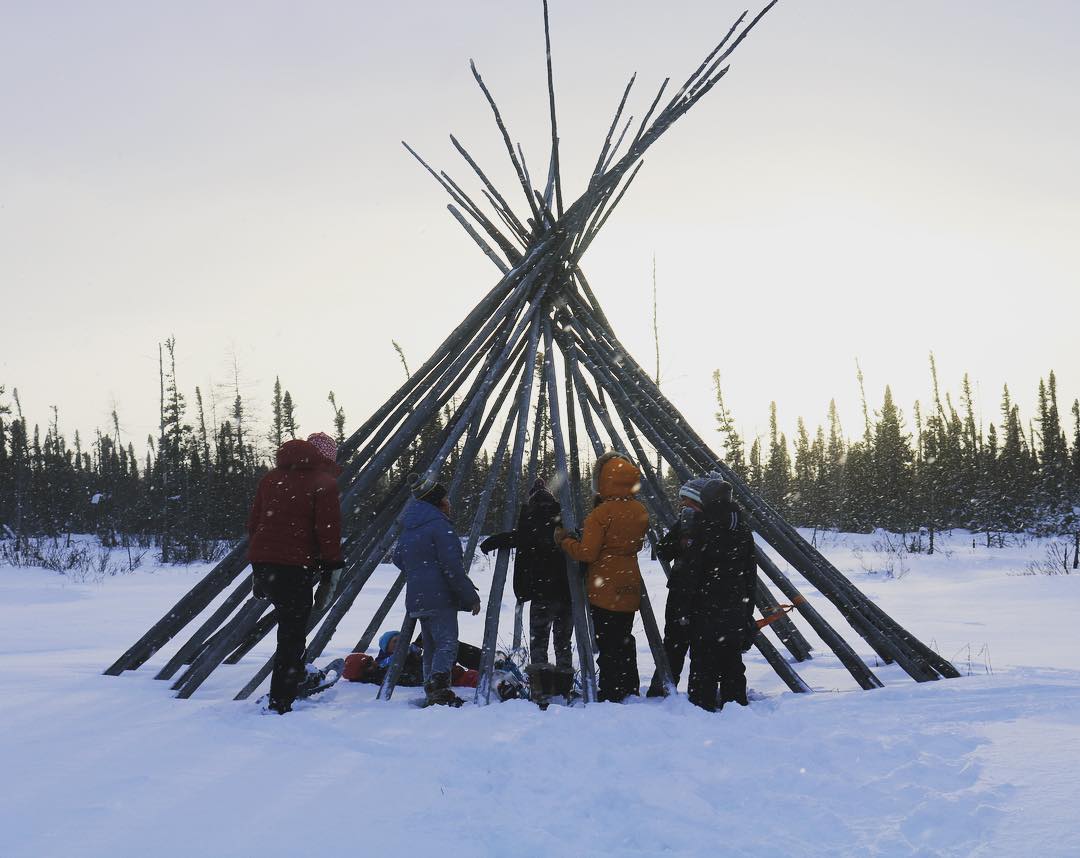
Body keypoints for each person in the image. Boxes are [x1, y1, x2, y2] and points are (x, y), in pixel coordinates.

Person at [247, 431, 343, 714]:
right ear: (326, 459)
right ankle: (281, 700)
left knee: (290, 627)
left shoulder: (271, 478)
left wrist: (259, 566)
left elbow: (255, 523)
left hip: (265, 564)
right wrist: (332, 566)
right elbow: (327, 530)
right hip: (293, 568)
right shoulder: (322, 483)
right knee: (292, 634)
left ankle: (297, 676)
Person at [556, 451, 649, 703]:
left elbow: (587, 552)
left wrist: (565, 542)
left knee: (608, 643)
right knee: (625, 638)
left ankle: (611, 690)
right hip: (629, 582)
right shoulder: (639, 509)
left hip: (605, 586)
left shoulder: (601, 513)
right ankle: (629, 686)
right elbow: (636, 543)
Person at [393, 476, 482, 707]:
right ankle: (440, 689)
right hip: (440, 597)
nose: (449, 503)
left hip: (417, 597)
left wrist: (419, 572)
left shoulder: (410, 527)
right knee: (446, 644)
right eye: (446, 499)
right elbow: (452, 567)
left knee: (431, 645)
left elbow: (398, 558)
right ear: (437, 502)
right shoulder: (440, 526)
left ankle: (431, 689)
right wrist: (470, 597)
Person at [479, 477, 572, 672]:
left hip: (540, 592)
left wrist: (490, 542)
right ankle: (564, 679)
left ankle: (540, 680)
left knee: (539, 641)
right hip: (564, 592)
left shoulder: (530, 525)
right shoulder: (562, 524)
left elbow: (513, 538)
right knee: (563, 642)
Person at [685, 479, 757, 712]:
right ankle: (735, 703)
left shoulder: (703, 526)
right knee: (731, 657)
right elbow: (750, 573)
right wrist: (748, 608)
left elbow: (693, 570)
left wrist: (687, 604)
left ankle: (702, 703)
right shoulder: (742, 528)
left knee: (703, 657)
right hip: (735, 603)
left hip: (706, 603)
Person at [646, 476, 711, 696]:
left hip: (698, 594)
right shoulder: (684, 524)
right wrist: (680, 540)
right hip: (681, 593)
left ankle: (696, 693)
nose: (682, 504)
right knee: (675, 643)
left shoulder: (711, 525)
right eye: (682, 500)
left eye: (687, 500)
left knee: (693, 645)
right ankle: (664, 689)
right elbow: (663, 550)